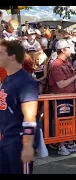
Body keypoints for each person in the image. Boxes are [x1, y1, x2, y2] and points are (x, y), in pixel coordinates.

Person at [0, 40, 39, 174]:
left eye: (0, 53)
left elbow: (30, 116)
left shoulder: (25, 82)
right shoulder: (8, 79)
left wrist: (28, 145)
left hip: (18, 141)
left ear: (13, 56)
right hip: (6, 138)